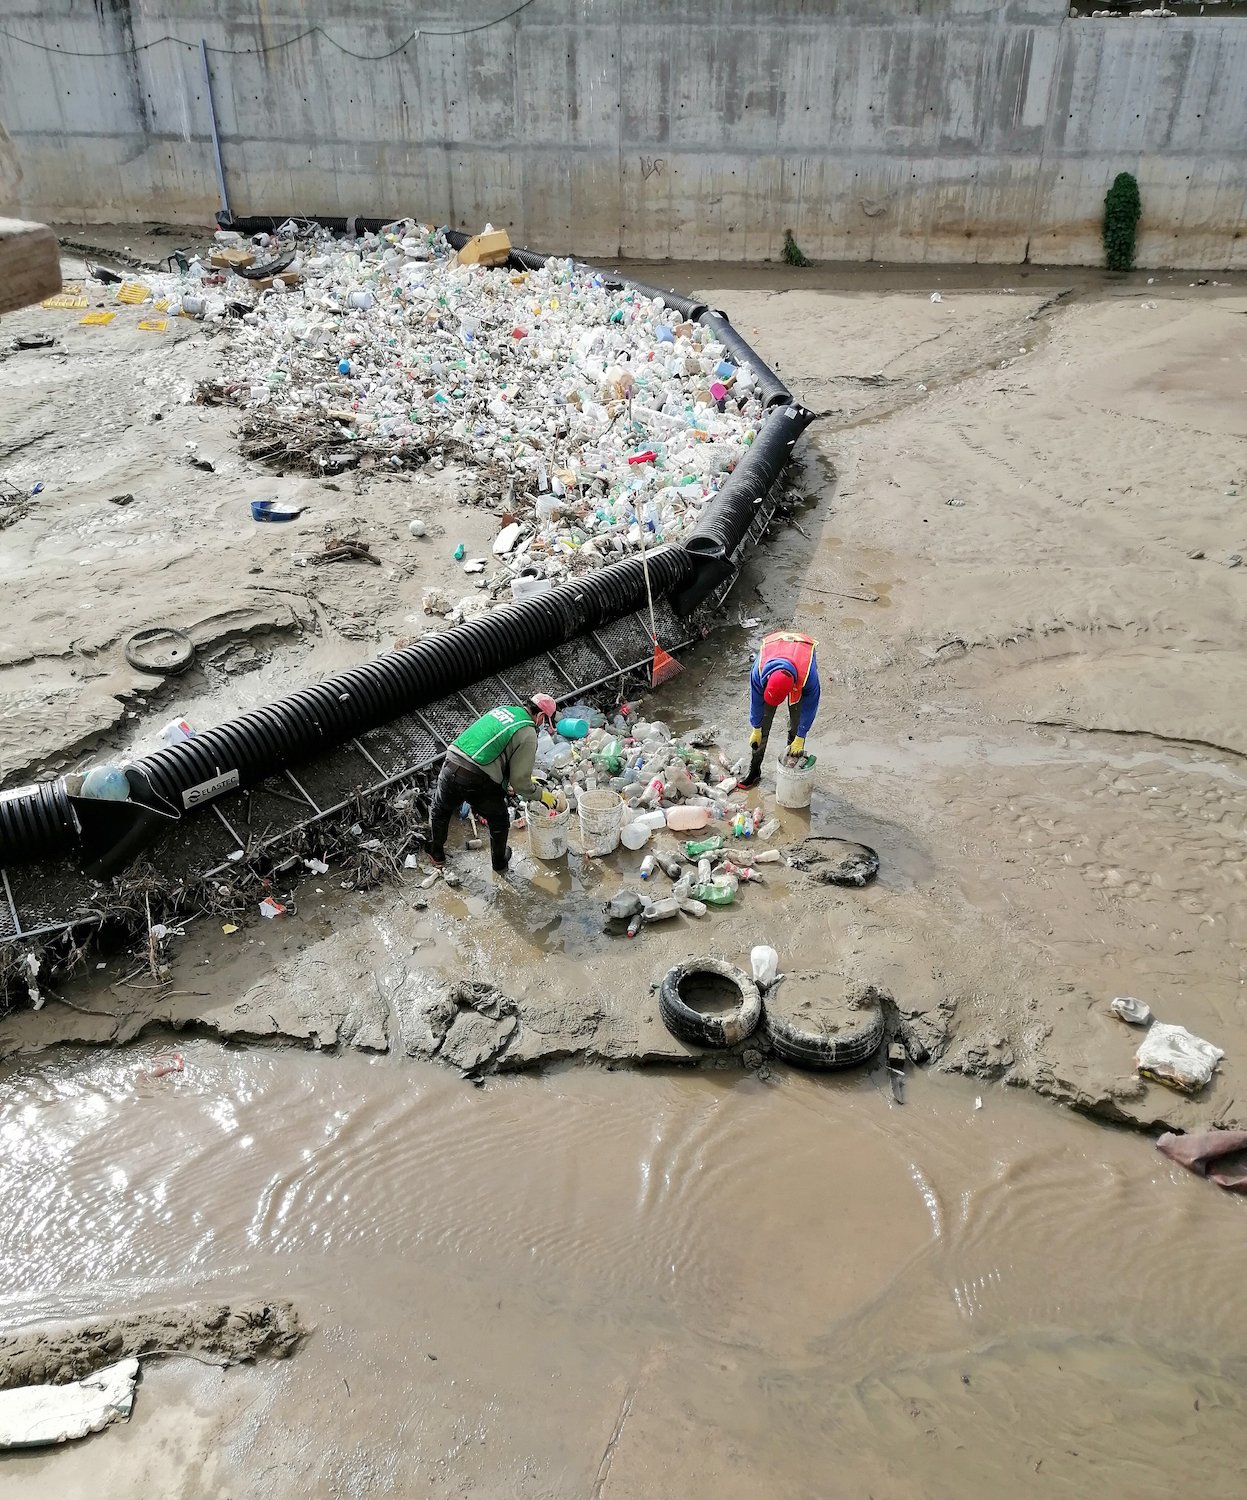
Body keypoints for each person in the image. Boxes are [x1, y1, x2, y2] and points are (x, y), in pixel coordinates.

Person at [427, 695, 557, 873]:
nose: (543, 726)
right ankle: (500, 863)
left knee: (440, 809)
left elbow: (495, 748)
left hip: (452, 760)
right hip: (478, 777)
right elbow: (520, 783)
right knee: (499, 821)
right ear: (540, 716)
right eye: (545, 721)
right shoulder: (528, 733)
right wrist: (541, 794)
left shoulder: (503, 710)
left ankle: (436, 854)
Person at [739, 629, 820, 788]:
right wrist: (756, 727)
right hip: (776, 647)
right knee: (763, 723)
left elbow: (811, 704)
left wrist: (801, 735)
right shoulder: (759, 669)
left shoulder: (808, 675)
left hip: (800, 652)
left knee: (796, 724)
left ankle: (790, 768)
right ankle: (754, 770)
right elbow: (756, 701)